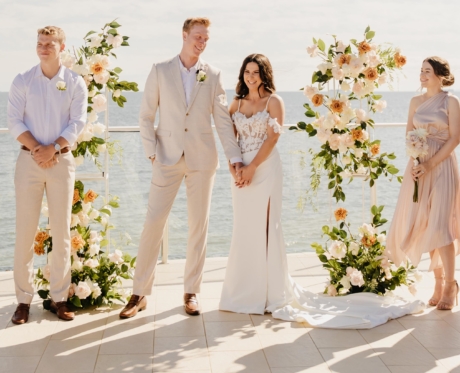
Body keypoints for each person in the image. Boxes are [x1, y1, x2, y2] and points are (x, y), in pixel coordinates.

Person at [219, 53, 423, 329]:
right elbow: (229, 138)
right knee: (244, 228)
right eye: (247, 71)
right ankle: (244, 292)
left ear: (264, 74)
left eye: (256, 72)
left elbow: (272, 138)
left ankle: (269, 293)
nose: (251, 76)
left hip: (264, 168)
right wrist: (236, 168)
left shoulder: (274, 101)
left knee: (267, 228)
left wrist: (253, 166)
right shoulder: (237, 103)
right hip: (242, 170)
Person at [119, 17, 243, 318]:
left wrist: (235, 157)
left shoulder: (212, 74)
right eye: (197, 36)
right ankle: (139, 292)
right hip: (166, 158)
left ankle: (191, 291)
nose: (201, 42)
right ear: (185, 35)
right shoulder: (160, 70)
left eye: (206, 38)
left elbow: (222, 120)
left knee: (198, 226)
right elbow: (146, 116)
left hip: (202, 159)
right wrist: (152, 154)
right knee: (153, 223)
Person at [7, 26, 87, 324]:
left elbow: (78, 122)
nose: (43, 48)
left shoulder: (75, 82)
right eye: (40, 43)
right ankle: (23, 301)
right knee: (25, 232)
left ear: (61, 47)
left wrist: (52, 149)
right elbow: (14, 121)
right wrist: (38, 150)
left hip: (61, 162)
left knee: (62, 233)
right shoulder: (23, 80)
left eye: (49, 44)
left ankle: (59, 298)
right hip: (28, 163)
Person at [387, 56, 460, 310]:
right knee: (427, 223)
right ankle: (438, 282)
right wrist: (416, 160)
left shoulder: (451, 101)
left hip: (442, 167)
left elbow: (454, 139)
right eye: (421, 71)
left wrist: (430, 163)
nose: (422, 75)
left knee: (442, 226)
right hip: (418, 168)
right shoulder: (415, 102)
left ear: (440, 75)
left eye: (427, 71)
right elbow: (409, 134)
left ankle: (451, 284)